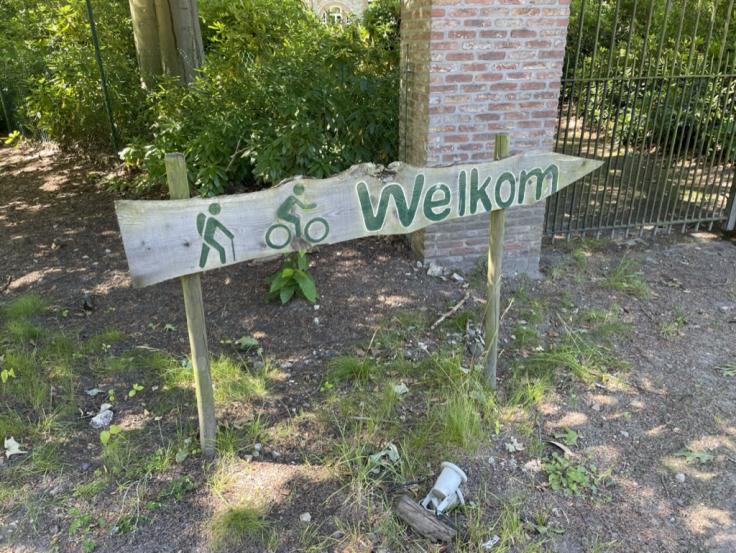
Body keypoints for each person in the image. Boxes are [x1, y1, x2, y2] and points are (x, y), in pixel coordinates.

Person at [197, 203, 235, 268]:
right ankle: (224, 264)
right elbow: (222, 228)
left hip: (206, 238)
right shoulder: (210, 219)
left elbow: (222, 228)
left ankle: (201, 266)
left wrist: (230, 235)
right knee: (221, 249)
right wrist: (230, 235)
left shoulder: (208, 218)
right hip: (207, 238)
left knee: (205, 251)